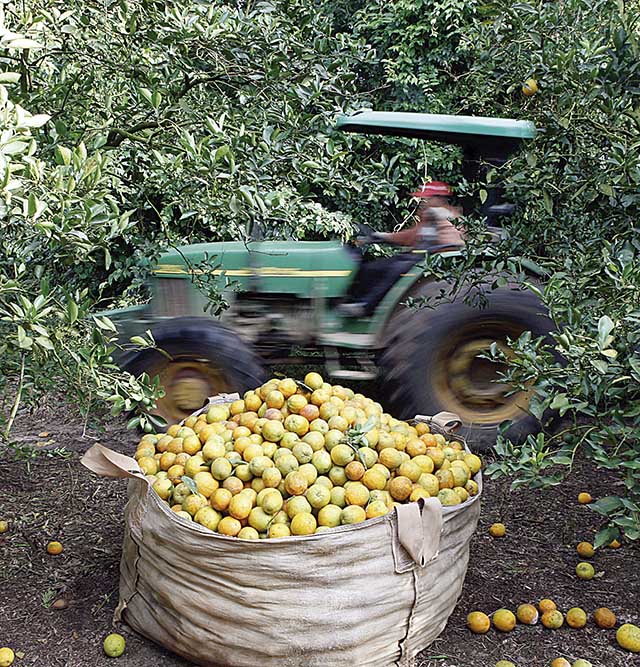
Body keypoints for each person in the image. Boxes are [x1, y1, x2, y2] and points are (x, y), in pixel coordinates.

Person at [339, 181, 464, 317]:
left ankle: (367, 306)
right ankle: (356, 304)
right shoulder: (428, 216)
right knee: (372, 268)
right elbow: (411, 236)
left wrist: (439, 215)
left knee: (395, 270)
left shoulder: (449, 216)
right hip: (416, 257)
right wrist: (381, 236)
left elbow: (452, 240)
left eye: (427, 198)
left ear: (439, 198)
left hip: (431, 262)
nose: (424, 201)